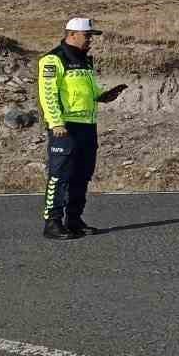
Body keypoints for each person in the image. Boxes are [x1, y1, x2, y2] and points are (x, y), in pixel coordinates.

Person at [37, 17, 126, 240]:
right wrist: (56, 122)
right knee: (59, 176)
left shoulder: (85, 61)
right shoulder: (53, 59)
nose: (90, 40)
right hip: (65, 127)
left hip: (87, 126)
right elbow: (48, 94)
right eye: (88, 36)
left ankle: (74, 220)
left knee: (82, 175)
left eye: (91, 36)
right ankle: (53, 222)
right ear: (72, 34)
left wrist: (103, 95)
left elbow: (89, 89)